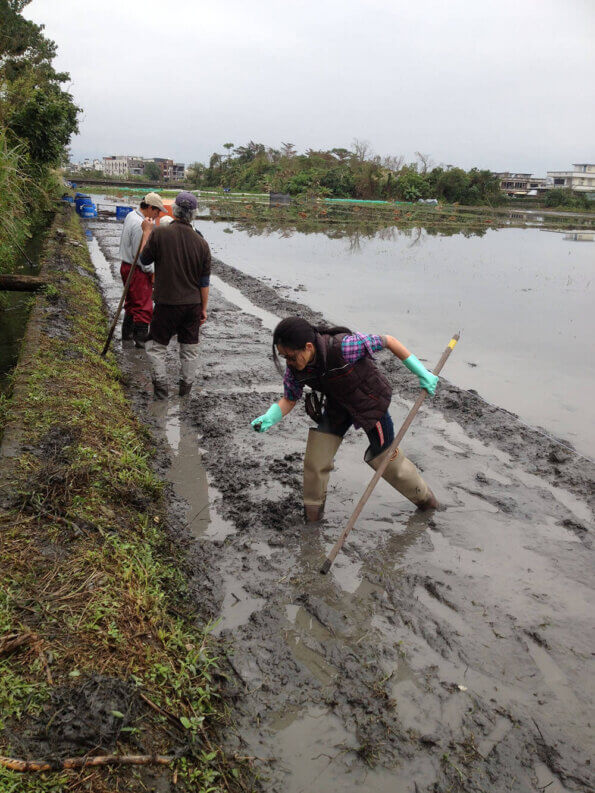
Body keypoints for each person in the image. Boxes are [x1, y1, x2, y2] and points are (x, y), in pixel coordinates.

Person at [251, 317, 439, 522]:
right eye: (283, 357)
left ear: (308, 346)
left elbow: (388, 341)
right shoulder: (295, 371)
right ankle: (312, 521)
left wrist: (422, 373)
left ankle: (427, 503)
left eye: (291, 356)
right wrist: (270, 416)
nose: (289, 362)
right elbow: (289, 398)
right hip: (337, 404)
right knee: (316, 459)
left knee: (385, 457)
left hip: (369, 402)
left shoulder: (344, 347)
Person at [139, 191, 211, 399]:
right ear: (194, 214)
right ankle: (185, 391)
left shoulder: (160, 234)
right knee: (189, 349)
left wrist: (146, 233)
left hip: (167, 303)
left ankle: (161, 390)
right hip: (192, 305)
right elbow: (204, 283)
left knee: (156, 346)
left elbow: (144, 261)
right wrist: (203, 308)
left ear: (175, 211)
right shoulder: (202, 243)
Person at [118, 192, 168, 346]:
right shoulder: (141, 225)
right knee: (144, 306)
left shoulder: (131, 215)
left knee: (132, 303)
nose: (158, 215)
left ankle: (127, 335)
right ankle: (140, 340)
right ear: (150, 208)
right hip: (137, 270)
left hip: (126, 266)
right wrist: (151, 271)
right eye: (157, 211)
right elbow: (142, 255)